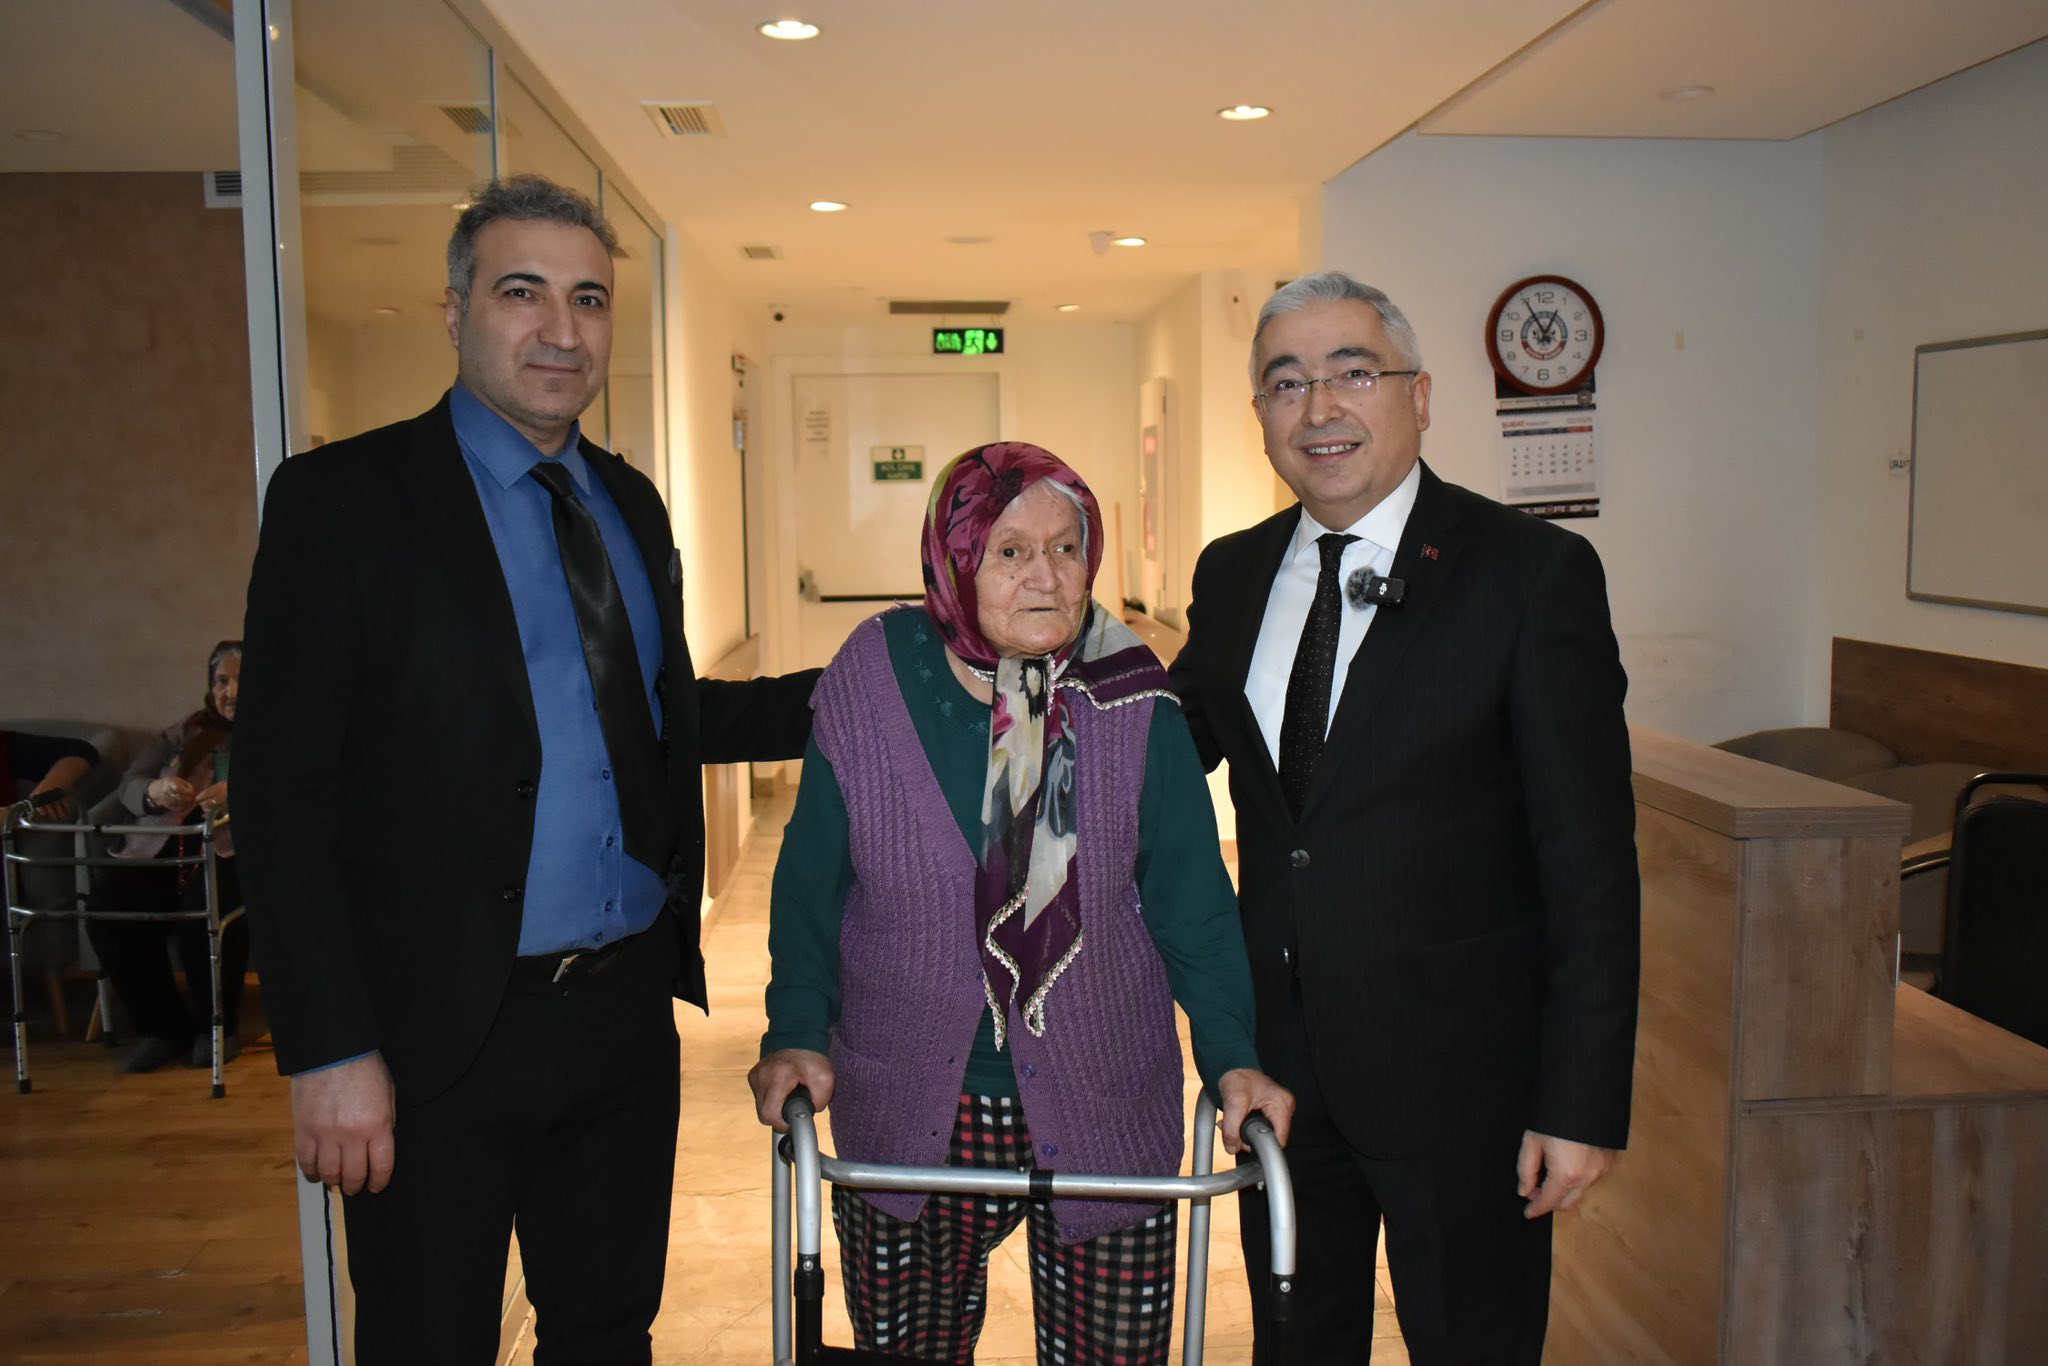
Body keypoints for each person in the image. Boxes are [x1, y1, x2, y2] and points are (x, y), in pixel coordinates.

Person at [233, 174, 820, 1363]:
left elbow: (657, 715)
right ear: (456, 311)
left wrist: (872, 686)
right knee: (428, 1340)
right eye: (522, 292)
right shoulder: (343, 502)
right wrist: (329, 1047)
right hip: (434, 1031)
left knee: (606, 1332)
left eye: (588, 299)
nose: (561, 328)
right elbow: (281, 791)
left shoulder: (628, 503)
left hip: (619, 1019)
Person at [1167, 272, 1640, 1364]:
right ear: (1260, 416)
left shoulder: (1530, 574)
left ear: (1418, 396)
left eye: (1352, 372)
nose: (1319, 407)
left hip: (1465, 1086)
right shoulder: (1232, 574)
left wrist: (1579, 1101)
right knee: (1295, 1343)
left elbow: (1586, 862)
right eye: (1286, 382)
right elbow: (1166, 749)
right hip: (1280, 1072)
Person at [748, 442, 1294, 1366]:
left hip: (1102, 1100)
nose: (1045, 576)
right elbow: (812, 885)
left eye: (1067, 548)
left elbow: (1192, 900)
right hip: (909, 1104)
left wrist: (1233, 1055)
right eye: (1009, 552)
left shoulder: (1134, 692)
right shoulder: (872, 677)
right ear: (954, 559)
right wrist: (797, 1030)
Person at [82, 641, 247, 1073]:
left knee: (201, 919)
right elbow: (131, 781)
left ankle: (217, 1026)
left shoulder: (279, 731)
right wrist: (155, 792)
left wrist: (237, 792)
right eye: (221, 681)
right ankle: (162, 1028)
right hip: (158, 849)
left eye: (241, 680)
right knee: (108, 911)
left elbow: (292, 787)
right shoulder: (186, 731)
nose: (230, 692)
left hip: (228, 851)